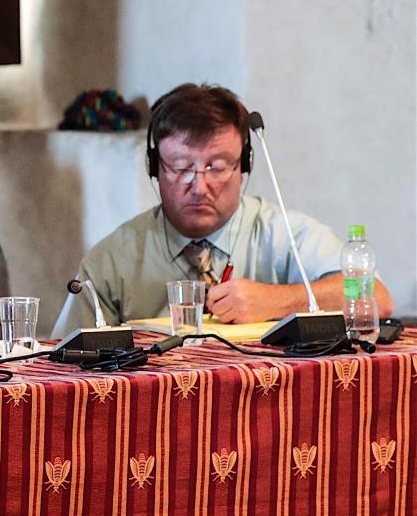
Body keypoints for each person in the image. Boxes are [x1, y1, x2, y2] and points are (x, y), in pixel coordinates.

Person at [52, 83, 393, 335]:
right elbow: (61, 366)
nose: (200, 186)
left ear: (244, 165)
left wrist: (278, 301)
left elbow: (375, 297)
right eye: (182, 168)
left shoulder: (282, 235)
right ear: (154, 167)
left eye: (217, 167)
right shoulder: (113, 261)